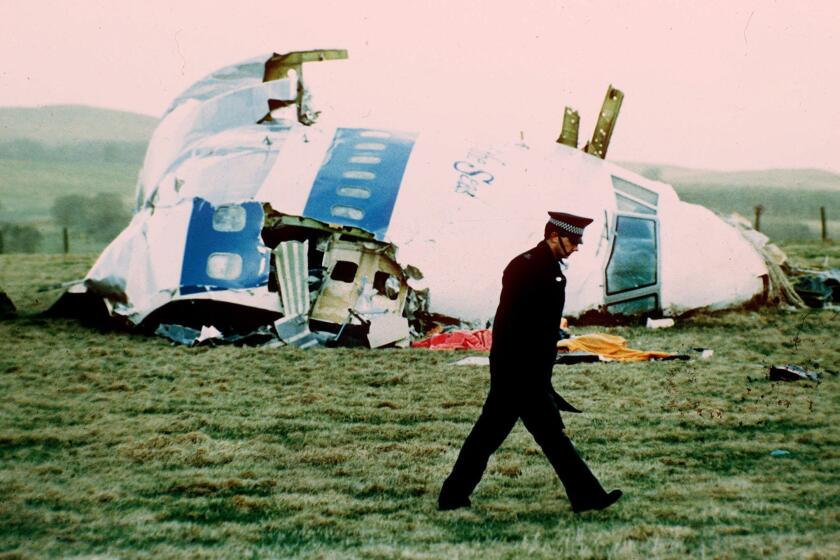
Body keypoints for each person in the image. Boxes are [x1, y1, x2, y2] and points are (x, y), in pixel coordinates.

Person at [438, 211, 622, 513]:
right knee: (528, 436)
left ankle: (454, 496)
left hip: (527, 371)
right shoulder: (526, 268)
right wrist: (527, 374)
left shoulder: (545, 267)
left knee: (520, 436)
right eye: (573, 240)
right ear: (553, 236)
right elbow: (512, 325)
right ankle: (587, 496)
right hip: (519, 372)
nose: (576, 247)